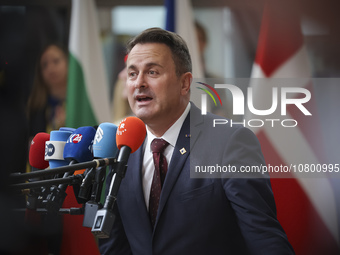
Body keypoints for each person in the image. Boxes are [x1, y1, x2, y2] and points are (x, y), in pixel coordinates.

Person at [99, 27, 294, 255]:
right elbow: (115, 245)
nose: (139, 83)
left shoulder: (230, 141)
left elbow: (264, 238)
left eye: (152, 72)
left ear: (185, 83)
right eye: (132, 74)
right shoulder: (121, 149)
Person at [27, 43, 68, 139]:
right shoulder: (36, 108)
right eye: (45, 65)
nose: (51, 68)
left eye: (56, 61)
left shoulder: (82, 103)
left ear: (67, 62)